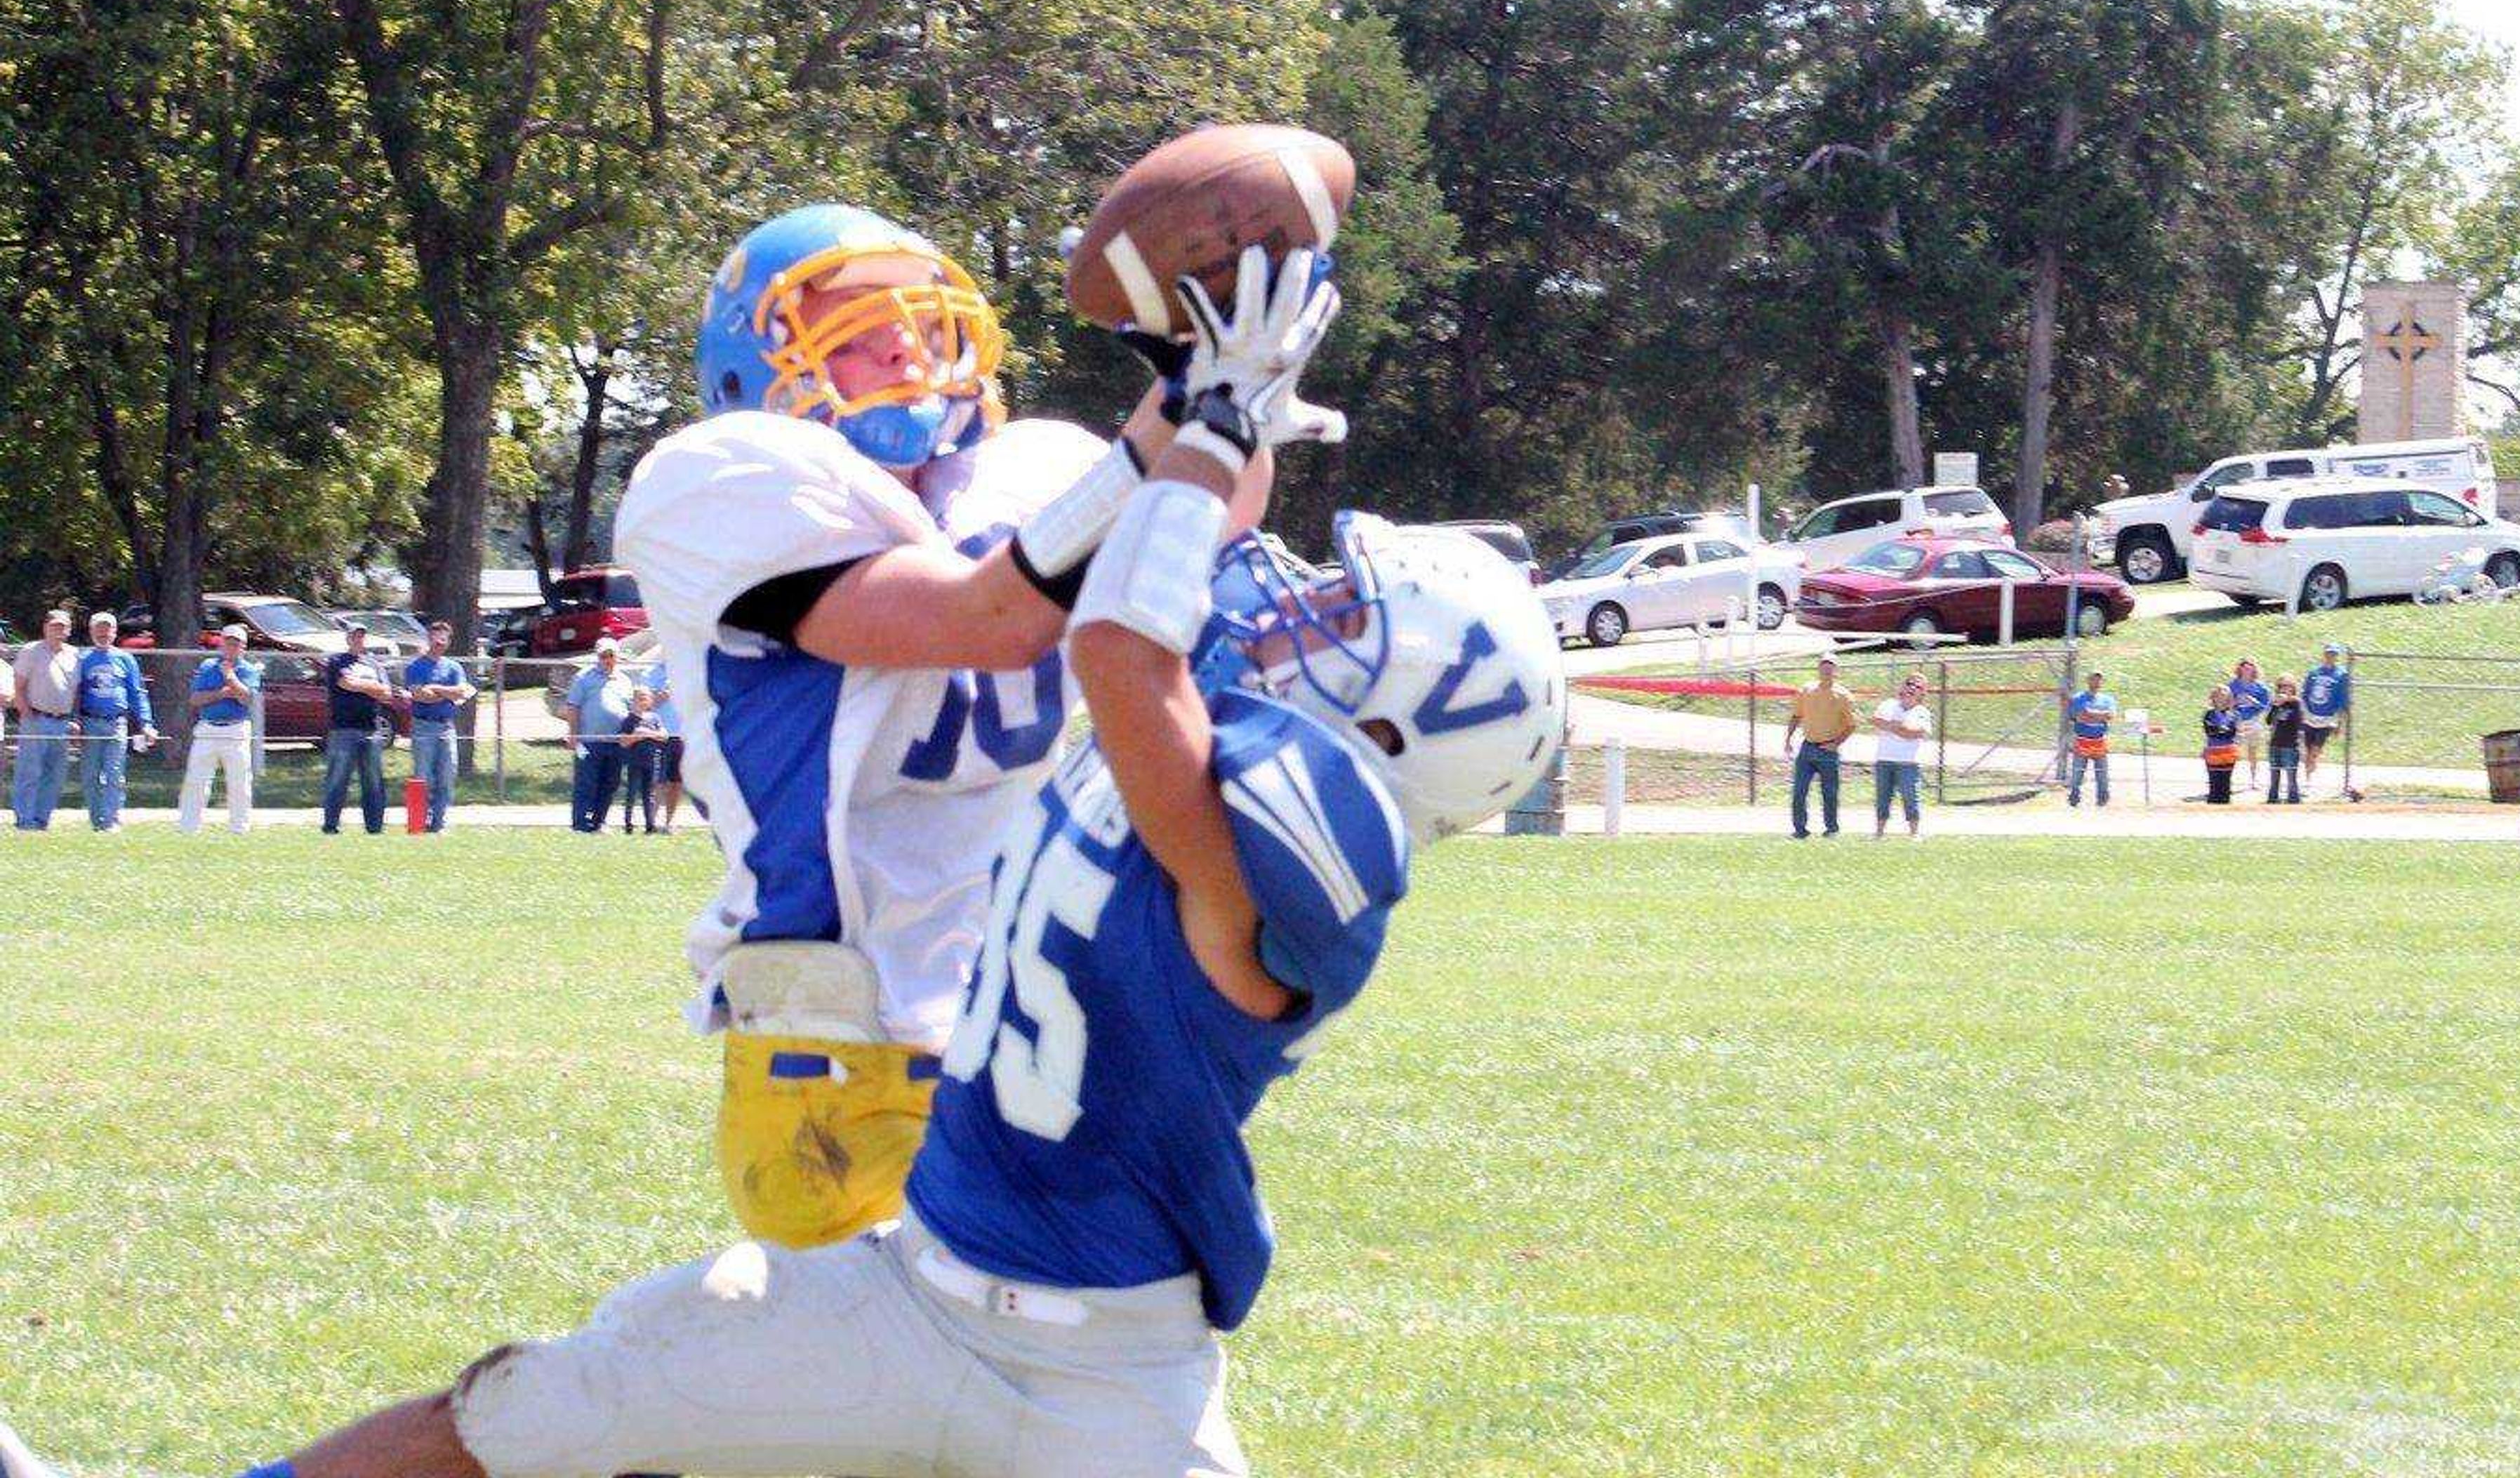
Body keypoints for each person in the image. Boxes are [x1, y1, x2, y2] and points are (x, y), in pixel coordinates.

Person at [0, 505, 1563, 1478]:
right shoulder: (1239, 747)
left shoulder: (1309, 855)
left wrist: (1206, 426)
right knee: (532, 1413)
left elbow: (1125, 651)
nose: (1296, 601)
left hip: (1106, 1380)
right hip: (904, 1285)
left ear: (1401, 734)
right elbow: (1160, 601)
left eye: (1348, 620)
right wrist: (1228, 403)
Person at [610, 204, 1320, 1248]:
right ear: (749, 365)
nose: (900, 343)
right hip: (841, 1051)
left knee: (1100, 1373)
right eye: (852, 325)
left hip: (1036, 1022)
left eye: (920, 320)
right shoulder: (721, 476)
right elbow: (981, 619)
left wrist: (1233, 395)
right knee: (893, 1397)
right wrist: (1173, 416)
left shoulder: (1025, 466)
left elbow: (1214, 511)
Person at [72, 610, 154, 831]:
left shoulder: (126, 659)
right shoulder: (83, 659)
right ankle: (96, 821)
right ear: (91, 632)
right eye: (99, 628)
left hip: (117, 723)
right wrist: (75, 721)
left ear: (115, 632)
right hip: (90, 723)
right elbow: (75, 693)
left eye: (107, 629)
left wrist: (146, 723)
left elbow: (137, 693)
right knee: (90, 775)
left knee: (114, 773)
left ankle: (111, 821)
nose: (103, 633)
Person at [180, 625, 262, 833]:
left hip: (236, 730)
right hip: (208, 729)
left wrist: (231, 676)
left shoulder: (249, 670)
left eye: (237, 644)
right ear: (222, 643)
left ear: (244, 647)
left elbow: (246, 699)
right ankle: (189, 828)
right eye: (228, 642)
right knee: (196, 781)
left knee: (239, 783)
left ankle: (239, 829)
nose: (232, 647)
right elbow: (196, 699)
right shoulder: (207, 667)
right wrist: (223, 693)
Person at [402, 621, 475, 832]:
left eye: (444, 639)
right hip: (423, 727)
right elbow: (420, 696)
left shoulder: (454, 667)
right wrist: (445, 694)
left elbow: (462, 692)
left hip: (446, 728)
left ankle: (439, 824)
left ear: (449, 641)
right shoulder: (416, 667)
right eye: (436, 638)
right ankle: (418, 824)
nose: (439, 642)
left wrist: (435, 688)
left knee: (447, 775)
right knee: (422, 776)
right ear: (429, 639)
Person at [11, 609, 81, 829]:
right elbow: (19, 687)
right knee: (29, 772)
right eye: (55, 626)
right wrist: (26, 715)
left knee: (55, 775)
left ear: (69, 630)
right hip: (36, 719)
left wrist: (75, 719)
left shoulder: (74, 654)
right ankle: (24, 820)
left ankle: (42, 820)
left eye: (64, 626)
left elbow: (76, 691)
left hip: (62, 723)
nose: (59, 630)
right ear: (45, 627)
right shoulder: (31, 651)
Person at [320, 622, 392, 835]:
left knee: (373, 781)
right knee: (337, 780)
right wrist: (372, 688)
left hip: (371, 730)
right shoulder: (337, 662)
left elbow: (387, 693)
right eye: (354, 636)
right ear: (348, 638)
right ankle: (331, 826)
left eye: (362, 636)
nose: (358, 639)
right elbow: (344, 684)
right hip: (343, 730)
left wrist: (360, 685)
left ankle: (374, 828)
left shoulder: (374, 664)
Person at [559, 638, 636, 833]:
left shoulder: (625, 681)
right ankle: (581, 824)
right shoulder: (584, 678)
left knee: (610, 784)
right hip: (589, 741)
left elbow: (631, 711)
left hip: (616, 742)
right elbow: (573, 707)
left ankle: (599, 822)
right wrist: (573, 735)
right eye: (603, 656)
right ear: (597, 656)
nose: (607, 659)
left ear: (617, 657)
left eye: (611, 656)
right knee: (587, 783)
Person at [1781, 654, 1856, 838]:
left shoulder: (1843, 696)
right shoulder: (1806, 690)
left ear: (1836, 671)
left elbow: (1851, 725)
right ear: (1818, 669)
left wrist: (1836, 744)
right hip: (1807, 748)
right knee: (1799, 791)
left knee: (1829, 793)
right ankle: (1800, 830)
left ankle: (1831, 829)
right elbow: (1797, 716)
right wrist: (1788, 739)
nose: (1827, 670)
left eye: (1831, 667)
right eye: (1824, 666)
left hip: (1828, 751)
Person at [1871, 672, 1930, 838]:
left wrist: (1891, 727)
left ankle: (1914, 834)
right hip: (1884, 760)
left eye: (1918, 687)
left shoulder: (1922, 712)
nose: (1912, 688)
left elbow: (1915, 733)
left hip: (1908, 763)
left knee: (1911, 798)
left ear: (1923, 693)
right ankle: (1879, 833)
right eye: (1910, 683)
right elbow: (1876, 720)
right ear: (1903, 685)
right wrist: (1899, 728)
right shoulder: (1889, 704)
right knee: (1883, 798)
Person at [617, 687, 670, 833]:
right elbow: (623, 742)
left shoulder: (654, 718)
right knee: (632, 793)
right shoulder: (629, 720)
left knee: (649, 795)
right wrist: (636, 736)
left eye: (646, 698)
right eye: (640, 698)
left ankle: (650, 825)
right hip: (635, 761)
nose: (643, 701)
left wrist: (646, 733)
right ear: (634, 700)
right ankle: (628, 824)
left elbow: (664, 736)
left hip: (652, 761)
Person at [641, 655, 685, 830]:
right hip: (657, 735)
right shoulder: (650, 673)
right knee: (658, 781)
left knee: (676, 781)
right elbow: (643, 707)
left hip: (681, 735)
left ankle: (669, 822)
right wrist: (662, 696)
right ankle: (651, 822)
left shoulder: (687, 671)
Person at [2302, 642, 2352, 786]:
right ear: (2324, 655)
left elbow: (2343, 699)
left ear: (2337, 657)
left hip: (2327, 718)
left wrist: (2340, 723)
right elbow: (2305, 694)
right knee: (2308, 749)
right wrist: (2304, 714)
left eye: (2334, 654)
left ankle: (2310, 773)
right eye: (2329, 654)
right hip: (2311, 716)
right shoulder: (2314, 673)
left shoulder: (2341, 675)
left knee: (2316, 749)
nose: (2331, 657)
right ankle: (2308, 777)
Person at [2066, 668, 2116, 807]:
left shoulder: (2108, 699)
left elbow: (2110, 716)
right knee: (2078, 771)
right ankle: (2074, 796)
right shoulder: (2078, 698)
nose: (2096, 682)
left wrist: (2091, 715)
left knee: (2102, 772)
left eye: (2099, 679)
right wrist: (2100, 716)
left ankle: (2103, 797)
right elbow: (2080, 717)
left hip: (2099, 740)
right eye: (2093, 679)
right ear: (2088, 681)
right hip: (2083, 739)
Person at [2227, 656, 2271, 790]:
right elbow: (2225, 703)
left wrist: (2254, 701)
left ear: (2254, 668)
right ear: (2239, 668)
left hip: (2254, 721)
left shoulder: (2261, 687)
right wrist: (2235, 702)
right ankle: (2228, 779)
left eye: (2250, 665)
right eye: (2244, 665)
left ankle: (2254, 780)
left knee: (2253, 752)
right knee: (2234, 751)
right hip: (2237, 721)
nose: (2247, 667)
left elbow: (2266, 707)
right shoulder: (2233, 685)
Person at [2264, 675, 2306, 803]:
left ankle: (2293, 799)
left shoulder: (2296, 704)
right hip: (2276, 743)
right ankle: (2273, 799)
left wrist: (2288, 700)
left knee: (2291, 777)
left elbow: (2298, 722)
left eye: (2288, 686)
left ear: (2293, 688)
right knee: (2274, 775)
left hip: (2290, 745)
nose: (2284, 689)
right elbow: (2269, 721)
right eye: (2282, 686)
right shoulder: (2276, 703)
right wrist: (2276, 706)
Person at [2201, 684, 2240, 804]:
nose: (2221, 699)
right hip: (2213, 751)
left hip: (2228, 752)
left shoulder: (2233, 714)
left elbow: (2232, 732)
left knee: (2226, 781)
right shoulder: (2209, 714)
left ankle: (2225, 804)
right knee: (2214, 780)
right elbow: (2210, 731)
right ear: (2214, 698)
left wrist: (2220, 730)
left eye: (2224, 697)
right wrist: (2221, 730)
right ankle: (2213, 804)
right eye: (2218, 696)